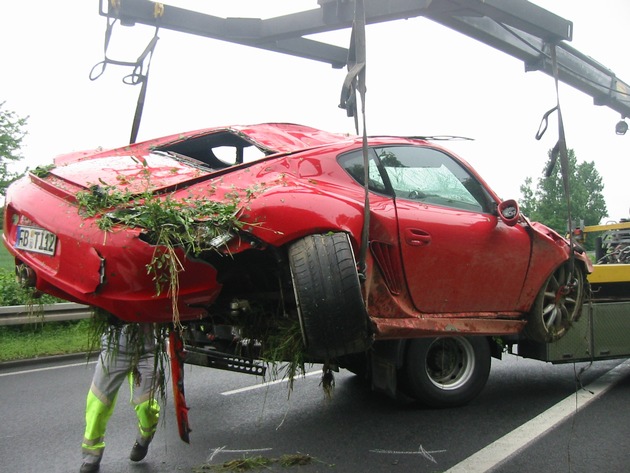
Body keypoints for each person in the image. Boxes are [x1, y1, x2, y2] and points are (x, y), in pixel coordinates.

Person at [80, 322, 161, 473]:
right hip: (113, 351)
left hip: (145, 353)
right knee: (97, 406)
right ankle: (91, 458)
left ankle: (144, 439)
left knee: (146, 406)